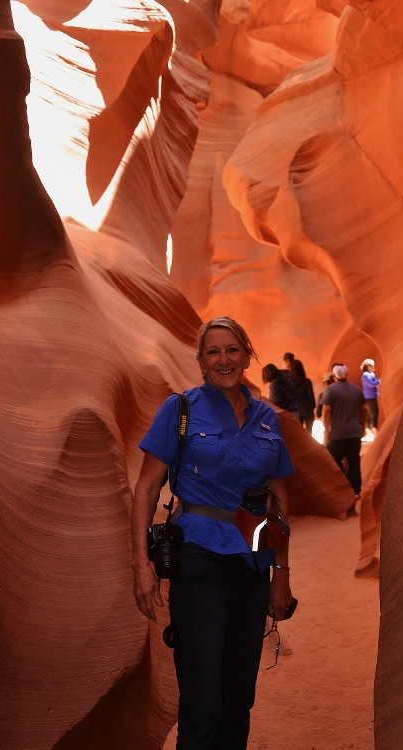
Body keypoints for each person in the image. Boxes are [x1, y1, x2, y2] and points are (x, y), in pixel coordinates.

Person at [132, 316, 296, 750]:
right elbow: (147, 487)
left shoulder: (266, 417)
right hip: (199, 560)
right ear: (201, 361)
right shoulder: (180, 409)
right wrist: (141, 567)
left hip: (252, 562)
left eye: (232, 350)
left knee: (238, 695)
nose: (223, 360)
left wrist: (281, 572)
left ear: (247, 355)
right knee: (204, 696)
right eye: (213, 352)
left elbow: (277, 500)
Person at [321, 364, 366, 498]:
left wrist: (326, 429)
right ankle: (356, 491)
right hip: (355, 431)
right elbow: (364, 409)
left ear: (334, 376)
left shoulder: (330, 390)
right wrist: (362, 427)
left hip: (337, 433)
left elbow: (327, 410)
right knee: (354, 461)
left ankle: (343, 485)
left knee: (333, 458)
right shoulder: (357, 390)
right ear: (347, 375)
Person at [289, 359, 316, 432]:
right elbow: (312, 399)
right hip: (307, 410)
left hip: (296, 411)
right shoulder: (307, 381)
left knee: (298, 434)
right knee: (309, 434)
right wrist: (310, 408)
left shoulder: (289, 382)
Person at [360, 358, 381, 438]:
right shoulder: (366, 375)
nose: (372, 367)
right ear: (366, 366)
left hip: (372, 396)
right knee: (374, 413)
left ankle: (369, 432)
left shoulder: (371, 374)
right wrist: (379, 381)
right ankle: (375, 433)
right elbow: (371, 384)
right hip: (369, 397)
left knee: (370, 414)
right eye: (370, 366)